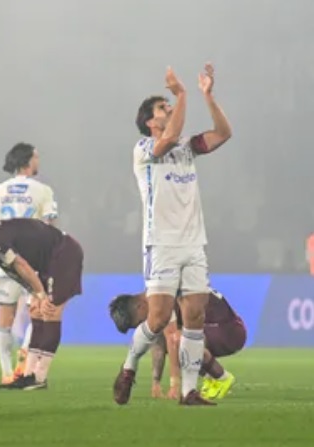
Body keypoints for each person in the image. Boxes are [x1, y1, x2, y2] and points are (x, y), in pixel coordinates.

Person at [113, 63, 233, 406]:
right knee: (159, 317)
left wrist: (207, 96)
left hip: (194, 244)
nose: (168, 110)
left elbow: (223, 132)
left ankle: (188, 391)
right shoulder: (144, 150)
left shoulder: (187, 147)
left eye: (169, 105)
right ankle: (129, 365)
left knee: (194, 316)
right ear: (151, 122)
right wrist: (181, 93)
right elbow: (167, 138)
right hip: (161, 244)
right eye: (161, 108)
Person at [0, 218, 83, 390]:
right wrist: (34, 293)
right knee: (36, 312)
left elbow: (20, 264)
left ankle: (39, 377)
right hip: (47, 261)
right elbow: (12, 270)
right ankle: (28, 375)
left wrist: (40, 293)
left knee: (50, 311)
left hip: (63, 253)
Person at [0, 142, 58, 386]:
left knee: (5, 319)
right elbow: (49, 227)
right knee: (36, 315)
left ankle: (6, 375)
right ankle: (23, 365)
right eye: (36, 156)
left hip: (5, 261)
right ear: (28, 160)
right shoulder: (43, 190)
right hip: (33, 262)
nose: (39, 161)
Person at [109, 288, 246, 400]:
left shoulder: (160, 298)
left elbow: (173, 339)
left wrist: (174, 385)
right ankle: (211, 379)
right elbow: (158, 344)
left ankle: (222, 378)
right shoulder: (155, 296)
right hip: (213, 329)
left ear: (139, 307)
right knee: (170, 339)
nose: (143, 325)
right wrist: (156, 383)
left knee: (178, 340)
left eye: (139, 321)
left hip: (229, 331)